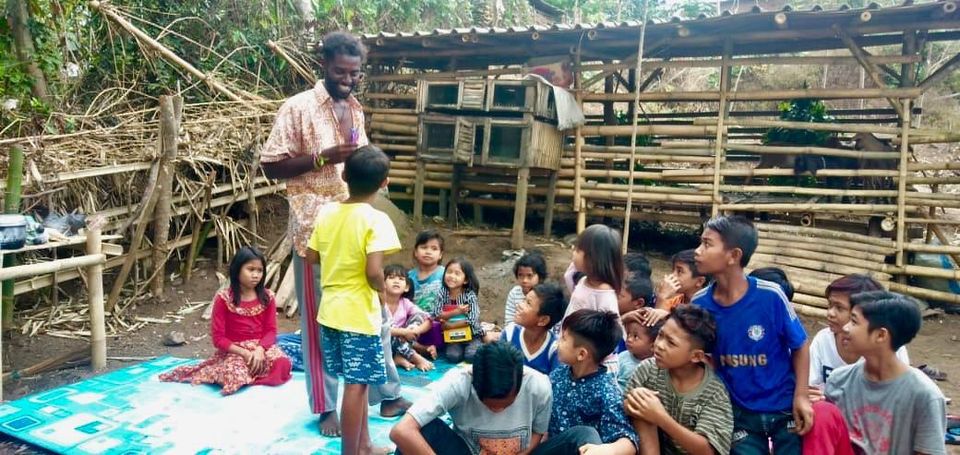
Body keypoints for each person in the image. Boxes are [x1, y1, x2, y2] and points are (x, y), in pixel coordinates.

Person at [259, 30, 408, 434]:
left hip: (358, 225)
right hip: (316, 234)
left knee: (374, 315)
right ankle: (326, 407)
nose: (348, 79)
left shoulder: (356, 109)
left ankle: (388, 395)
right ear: (324, 65)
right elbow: (270, 165)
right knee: (319, 325)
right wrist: (320, 158)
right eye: (341, 72)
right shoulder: (298, 108)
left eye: (354, 73)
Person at [305, 145, 400, 455]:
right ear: (384, 182)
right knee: (357, 388)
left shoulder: (328, 212)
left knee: (352, 381)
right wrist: (381, 292)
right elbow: (374, 270)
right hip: (359, 315)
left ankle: (365, 445)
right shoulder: (378, 220)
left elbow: (311, 256)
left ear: (344, 175)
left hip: (329, 312)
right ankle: (351, 452)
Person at [691, 215, 813, 454]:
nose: (697, 251)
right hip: (738, 414)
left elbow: (800, 345)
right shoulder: (700, 304)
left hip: (783, 409)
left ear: (733, 256)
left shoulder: (771, 296)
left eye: (707, 244)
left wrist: (802, 396)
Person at [804, 291, 946, 455]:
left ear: (880, 335)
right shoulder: (839, 380)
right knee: (822, 411)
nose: (845, 327)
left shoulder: (924, 395)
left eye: (854, 322)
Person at [160, 247, 291, 395]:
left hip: (261, 348)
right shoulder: (223, 299)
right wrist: (244, 353)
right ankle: (245, 375)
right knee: (233, 376)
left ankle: (253, 376)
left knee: (283, 364)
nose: (255, 275)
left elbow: (271, 331)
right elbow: (218, 339)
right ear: (237, 270)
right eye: (250, 269)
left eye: (259, 270)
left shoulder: (268, 297)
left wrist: (260, 350)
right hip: (235, 351)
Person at [390, 342, 553, 455]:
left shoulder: (539, 386)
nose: (498, 410)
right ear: (474, 380)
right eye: (490, 405)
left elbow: (538, 433)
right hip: (466, 451)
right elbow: (401, 431)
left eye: (507, 404)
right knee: (425, 429)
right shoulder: (459, 382)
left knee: (573, 438)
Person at [624, 304, 733, 455]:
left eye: (671, 343)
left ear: (696, 356)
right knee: (640, 400)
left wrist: (661, 417)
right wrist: (634, 401)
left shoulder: (714, 392)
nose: (659, 345)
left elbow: (709, 451)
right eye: (660, 335)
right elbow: (624, 407)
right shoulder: (648, 369)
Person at [534, 309, 637, 454]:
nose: (557, 342)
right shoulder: (559, 375)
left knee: (585, 435)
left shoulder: (606, 391)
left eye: (563, 338)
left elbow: (629, 441)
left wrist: (608, 450)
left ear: (581, 354)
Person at [808, 274, 908, 391]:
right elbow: (811, 387)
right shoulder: (823, 340)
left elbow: (899, 392)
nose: (830, 313)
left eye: (839, 308)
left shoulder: (891, 348)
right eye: (830, 305)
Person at [561, 224, 625, 370]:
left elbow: (611, 332)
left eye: (578, 249)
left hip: (590, 363)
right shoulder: (584, 281)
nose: (573, 251)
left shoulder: (604, 295)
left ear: (592, 258)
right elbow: (575, 299)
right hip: (573, 349)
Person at [500, 282, 567, 375]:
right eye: (524, 300)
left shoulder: (553, 350)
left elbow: (553, 385)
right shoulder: (509, 334)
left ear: (543, 320)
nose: (519, 305)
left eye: (528, 303)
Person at [431, 258, 485, 363]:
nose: (451, 276)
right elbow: (436, 314)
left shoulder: (469, 295)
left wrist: (450, 325)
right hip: (452, 337)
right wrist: (456, 312)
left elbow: (472, 319)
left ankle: (481, 345)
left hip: (472, 335)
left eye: (457, 274)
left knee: (471, 356)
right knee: (452, 357)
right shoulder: (442, 293)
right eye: (449, 272)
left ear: (465, 280)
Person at [383, 264, 434, 372]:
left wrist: (414, 331)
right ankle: (414, 357)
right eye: (391, 278)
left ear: (406, 287)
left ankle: (397, 357)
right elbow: (381, 329)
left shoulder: (405, 303)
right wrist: (403, 332)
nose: (396, 281)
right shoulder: (379, 303)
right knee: (389, 330)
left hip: (401, 342)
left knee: (419, 316)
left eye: (401, 279)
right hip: (382, 344)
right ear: (383, 284)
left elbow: (429, 319)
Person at [616, 313, 663, 390]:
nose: (629, 339)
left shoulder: (655, 367)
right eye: (628, 334)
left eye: (635, 337)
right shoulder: (622, 356)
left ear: (652, 346)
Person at [504, 251, 549, 324]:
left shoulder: (547, 296)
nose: (524, 280)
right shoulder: (514, 293)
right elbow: (509, 321)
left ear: (540, 277)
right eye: (520, 275)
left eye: (529, 276)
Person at [408, 230, 446, 312]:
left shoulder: (445, 275)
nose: (428, 252)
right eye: (424, 247)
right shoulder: (408, 277)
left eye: (434, 249)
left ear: (440, 255)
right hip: (413, 321)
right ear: (415, 252)